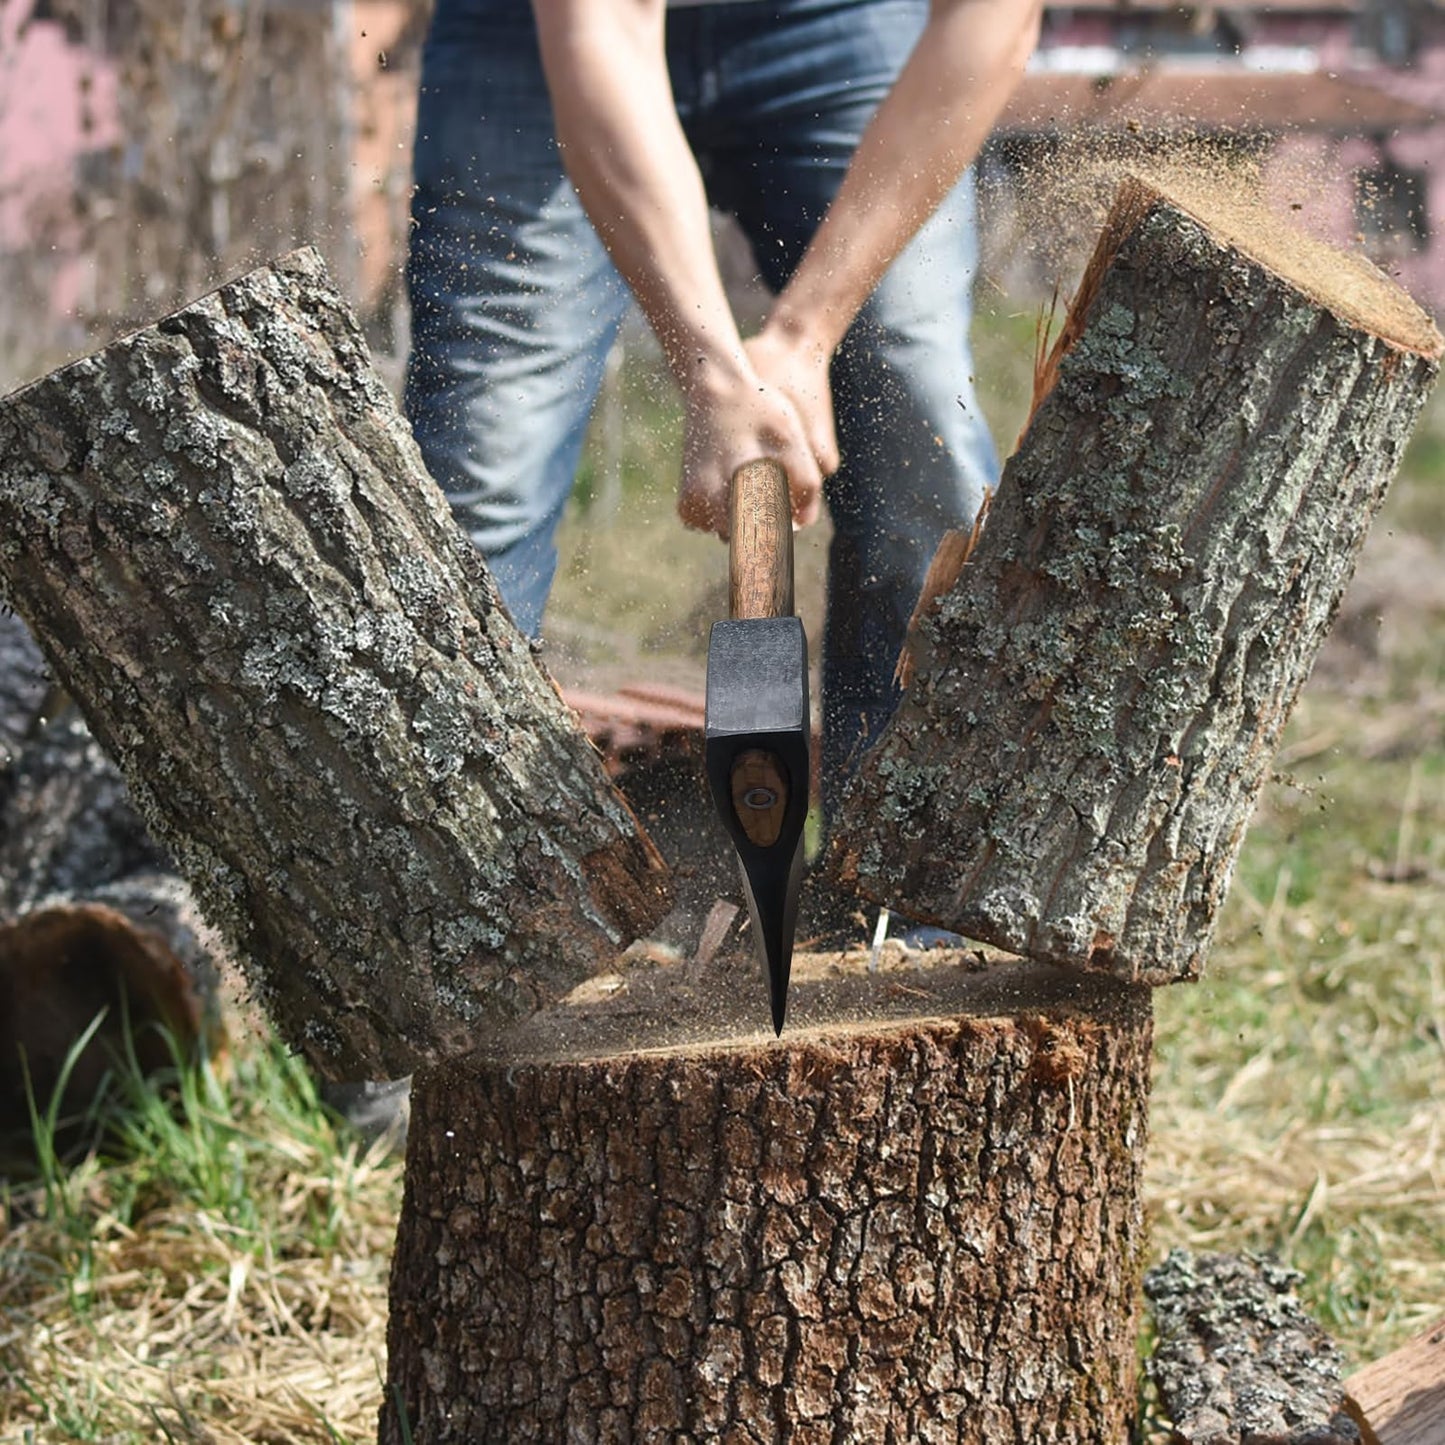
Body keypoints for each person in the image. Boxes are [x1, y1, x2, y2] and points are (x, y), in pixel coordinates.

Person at [405, 0, 1042, 818]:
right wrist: (715, 379)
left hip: (845, 21)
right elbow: (600, 29)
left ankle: (909, 873)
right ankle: (461, 864)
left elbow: (993, 19)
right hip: (533, 37)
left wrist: (805, 338)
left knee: (918, 419)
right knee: (480, 477)